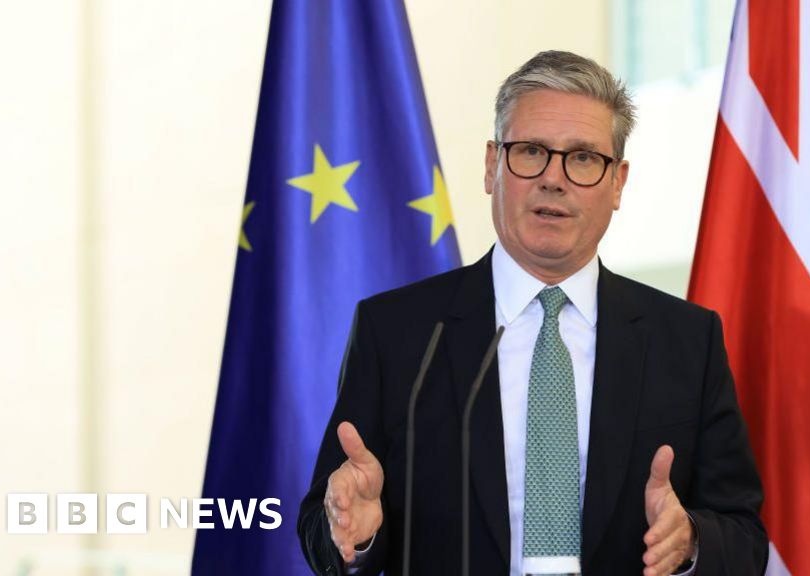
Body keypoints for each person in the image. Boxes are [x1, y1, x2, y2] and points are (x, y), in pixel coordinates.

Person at [298, 50, 766, 576]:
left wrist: (691, 542)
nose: (554, 179)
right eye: (531, 151)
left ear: (618, 183)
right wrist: (356, 533)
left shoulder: (686, 340)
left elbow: (744, 535)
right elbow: (321, 529)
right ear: (491, 165)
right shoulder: (397, 332)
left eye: (583, 158)